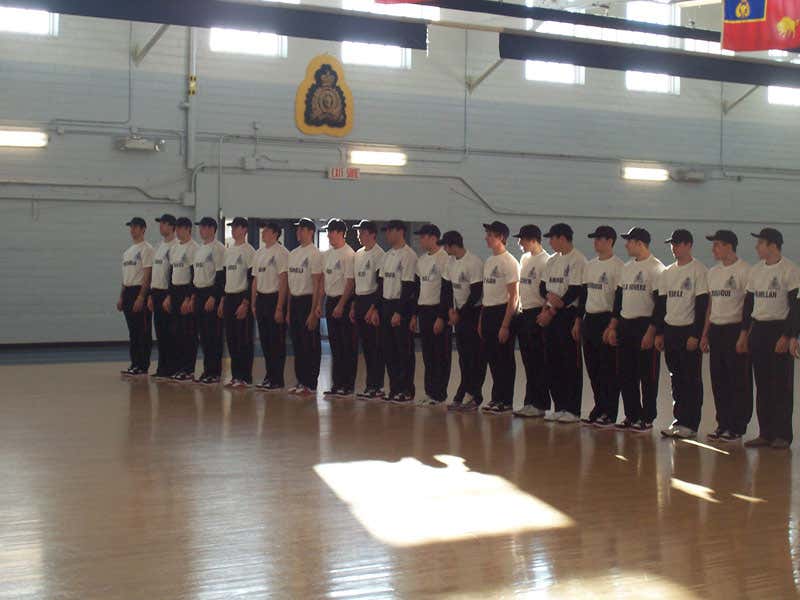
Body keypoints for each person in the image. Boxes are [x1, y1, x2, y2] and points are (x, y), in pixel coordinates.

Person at [742, 228, 799, 450]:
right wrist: (745, 333)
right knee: (763, 384)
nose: (757, 247)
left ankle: (782, 435)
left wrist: (788, 335)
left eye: (760, 243)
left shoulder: (790, 270)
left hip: (779, 329)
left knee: (781, 385)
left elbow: (795, 307)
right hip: (759, 329)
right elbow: (749, 304)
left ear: (773, 245)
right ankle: (765, 433)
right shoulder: (756, 271)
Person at [605, 227, 665, 432]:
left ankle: (647, 417)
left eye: (629, 241)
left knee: (647, 376)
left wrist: (651, 332)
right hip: (626, 325)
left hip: (645, 325)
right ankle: (632, 415)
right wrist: (613, 326)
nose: (626, 245)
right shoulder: (627, 268)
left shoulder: (656, 268)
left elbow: (660, 305)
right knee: (626, 374)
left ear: (640, 243)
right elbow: (618, 299)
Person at [656, 229, 709, 440]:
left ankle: (691, 424)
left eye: (677, 244)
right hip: (671, 331)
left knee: (691, 379)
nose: (674, 248)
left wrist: (696, 334)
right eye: (672, 244)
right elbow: (662, 305)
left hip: (689, 332)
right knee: (676, 378)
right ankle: (679, 421)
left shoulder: (699, 270)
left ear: (688, 245)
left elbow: (702, 306)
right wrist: (660, 333)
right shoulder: (667, 272)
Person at [699, 230, 752, 442]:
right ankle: (723, 423)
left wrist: (744, 335)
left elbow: (749, 307)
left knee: (738, 380)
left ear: (729, 246)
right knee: (719, 380)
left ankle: (737, 427)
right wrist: (705, 334)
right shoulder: (713, 272)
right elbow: (710, 306)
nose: (713, 249)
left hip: (735, 330)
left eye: (717, 245)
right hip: (717, 331)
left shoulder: (745, 270)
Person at [537, 223, 587, 423]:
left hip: (567, 315)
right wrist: (548, 304)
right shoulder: (552, 260)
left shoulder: (578, 260)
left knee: (570, 363)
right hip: (551, 315)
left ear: (562, 238)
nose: (549, 242)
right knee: (553, 361)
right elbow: (543, 287)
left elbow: (575, 291)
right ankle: (559, 406)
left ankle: (572, 409)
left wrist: (555, 307)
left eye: (552, 238)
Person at [576, 225, 624, 428]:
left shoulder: (619, 266)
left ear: (610, 241)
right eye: (594, 239)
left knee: (608, 369)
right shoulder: (590, 265)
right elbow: (584, 295)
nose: (595, 242)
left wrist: (613, 325)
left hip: (606, 320)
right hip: (590, 320)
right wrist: (579, 320)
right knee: (593, 368)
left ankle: (609, 412)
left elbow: (619, 300)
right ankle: (599, 407)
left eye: (599, 239)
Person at [440, 230, 486, 412]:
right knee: (463, 357)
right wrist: (450, 311)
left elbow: (476, 293)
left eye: (446, 246)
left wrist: (460, 313)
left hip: (472, 314)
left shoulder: (473, 262)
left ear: (453, 245)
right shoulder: (450, 262)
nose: (444, 249)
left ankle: (474, 395)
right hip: (458, 314)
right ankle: (463, 392)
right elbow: (447, 289)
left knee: (475, 357)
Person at [511, 225, 551, 418]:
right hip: (523, 313)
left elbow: (546, 292)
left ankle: (540, 404)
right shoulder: (524, 258)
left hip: (537, 313)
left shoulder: (546, 261)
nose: (520, 243)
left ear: (534, 240)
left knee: (538, 361)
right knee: (528, 361)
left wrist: (545, 312)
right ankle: (529, 402)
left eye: (523, 240)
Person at [480, 221, 520, 414]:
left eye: (491, 235)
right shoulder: (489, 261)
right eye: (487, 234)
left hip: (502, 313)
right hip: (488, 312)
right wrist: (481, 320)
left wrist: (505, 325)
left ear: (501, 237)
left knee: (504, 359)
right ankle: (496, 397)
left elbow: (514, 296)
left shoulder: (509, 262)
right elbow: (486, 294)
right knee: (492, 358)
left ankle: (506, 400)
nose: (486, 238)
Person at [412, 224, 452, 406]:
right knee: (428, 354)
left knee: (440, 354)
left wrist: (442, 317)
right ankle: (430, 392)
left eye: (423, 237)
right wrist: (414, 315)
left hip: (438, 310)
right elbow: (417, 289)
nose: (420, 240)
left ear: (433, 237)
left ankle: (439, 394)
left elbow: (447, 290)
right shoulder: (421, 260)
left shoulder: (445, 258)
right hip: (424, 310)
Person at [379, 220, 418, 403]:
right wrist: (377, 309)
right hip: (386, 304)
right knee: (389, 350)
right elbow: (381, 284)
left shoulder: (409, 255)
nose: (387, 235)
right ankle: (394, 388)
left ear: (400, 231)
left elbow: (408, 287)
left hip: (401, 306)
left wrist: (399, 312)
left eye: (390, 231)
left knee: (404, 351)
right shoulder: (387, 255)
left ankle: (407, 390)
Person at [287, 218, 324, 396]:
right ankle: (301, 380)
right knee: (297, 343)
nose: (298, 232)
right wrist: (288, 310)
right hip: (295, 300)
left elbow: (317, 284)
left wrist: (313, 311)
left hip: (308, 300)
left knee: (310, 344)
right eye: (298, 230)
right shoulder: (293, 254)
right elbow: (290, 283)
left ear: (310, 232)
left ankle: (311, 383)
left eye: (302, 229)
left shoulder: (315, 254)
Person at [251, 221, 289, 391]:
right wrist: (253, 303)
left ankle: (277, 378)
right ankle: (269, 376)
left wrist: (280, 307)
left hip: (274, 299)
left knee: (276, 342)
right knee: (265, 341)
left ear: (275, 234)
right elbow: (255, 280)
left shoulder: (281, 253)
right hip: (261, 299)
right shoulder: (259, 253)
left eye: (266, 231)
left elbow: (283, 280)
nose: (263, 233)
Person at [321, 218, 357, 397]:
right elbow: (324, 280)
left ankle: (348, 385)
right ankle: (337, 383)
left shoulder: (348, 254)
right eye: (328, 231)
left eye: (331, 232)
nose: (328, 235)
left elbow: (350, 282)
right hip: (330, 300)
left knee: (347, 345)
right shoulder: (327, 255)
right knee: (335, 345)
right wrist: (320, 303)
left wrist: (341, 305)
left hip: (344, 302)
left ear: (340, 233)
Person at [218, 217, 256, 388]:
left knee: (244, 339)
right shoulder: (229, 251)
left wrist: (246, 303)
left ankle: (245, 377)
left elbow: (251, 279)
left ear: (244, 229)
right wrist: (222, 300)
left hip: (242, 297)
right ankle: (235, 376)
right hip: (229, 297)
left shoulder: (249, 251)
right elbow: (225, 277)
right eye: (232, 227)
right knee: (231, 339)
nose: (233, 230)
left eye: (236, 227)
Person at [351, 220, 386, 399]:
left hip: (372, 301)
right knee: (365, 347)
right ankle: (369, 385)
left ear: (372, 234)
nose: (359, 235)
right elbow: (357, 282)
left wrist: (374, 308)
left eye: (363, 232)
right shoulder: (358, 254)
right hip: (360, 299)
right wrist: (354, 305)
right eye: (359, 232)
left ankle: (377, 386)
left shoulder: (380, 254)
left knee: (375, 347)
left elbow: (380, 284)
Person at [164, 217, 199, 381]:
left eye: (180, 228)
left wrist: (189, 297)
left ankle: (188, 369)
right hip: (175, 291)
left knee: (188, 333)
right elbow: (172, 272)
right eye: (176, 228)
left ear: (187, 229)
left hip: (186, 291)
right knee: (176, 332)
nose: (177, 231)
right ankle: (178, 367)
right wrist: (169, 295)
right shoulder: (175, 248)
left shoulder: (194, 248)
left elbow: (194, 274)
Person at [118, 217, 154, 376]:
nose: (132, 230)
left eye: (135, 227)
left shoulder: (147, 249)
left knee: (143, 331)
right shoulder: (127, 252)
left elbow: (147, 275)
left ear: (143, 229)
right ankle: (134, 363)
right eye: (131, 227)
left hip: (139, 291)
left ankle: (143, 365)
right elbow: (125, 277)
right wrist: (121, 296)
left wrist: (141, 297)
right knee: (132, 331)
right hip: (128, 291)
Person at [192, 217, 226, 385]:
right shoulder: (199, 249)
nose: (201, 230)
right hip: (199, 293)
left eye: (204, 227)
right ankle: (207, 370)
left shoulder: (218, 248)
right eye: (200, 227)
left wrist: (214, 297)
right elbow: (195, 274)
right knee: (204, 336)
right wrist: (193, 296)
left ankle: (215, 372)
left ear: (212, 229)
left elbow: (220, 276)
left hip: (210, 293)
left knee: (214, 336)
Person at [148, 214, 178, 379]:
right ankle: (162, 367)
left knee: (170, 333)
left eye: (164, 224)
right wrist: (151, 295)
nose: (161, 226)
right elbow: (155, 272)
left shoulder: (175, 246)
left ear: (172, 226)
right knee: (160, 333)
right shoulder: (158, 246)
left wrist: (169, 295)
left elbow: (173, 273)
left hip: (167, 293)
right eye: (160, 224)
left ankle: (172, 367)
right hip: (156, 292)